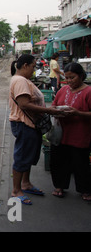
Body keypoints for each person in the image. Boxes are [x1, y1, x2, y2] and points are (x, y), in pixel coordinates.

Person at [9, 54, 65, 205]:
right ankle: (16, 190)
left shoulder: (22, 80)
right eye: (33, 66)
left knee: (28, 155)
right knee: (22, 156)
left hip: (30, 123)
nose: (34, 70)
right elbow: (24, 104)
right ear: (25, 65)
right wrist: (50, 111)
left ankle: (26, 184)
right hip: (24, 123)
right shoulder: (20, 80)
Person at [50, 62, 91, 201]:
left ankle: (85, 189)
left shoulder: (88, 92)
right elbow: (54, 105)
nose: (69, 81)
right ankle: (59, 186)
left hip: (80, 135)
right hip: (62, 134)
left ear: (80, 76)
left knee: (81, 163)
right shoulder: (63, 90)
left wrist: (78, 113)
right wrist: (56, 111)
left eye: (72, 77)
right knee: (60, 161)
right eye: (66, 78)